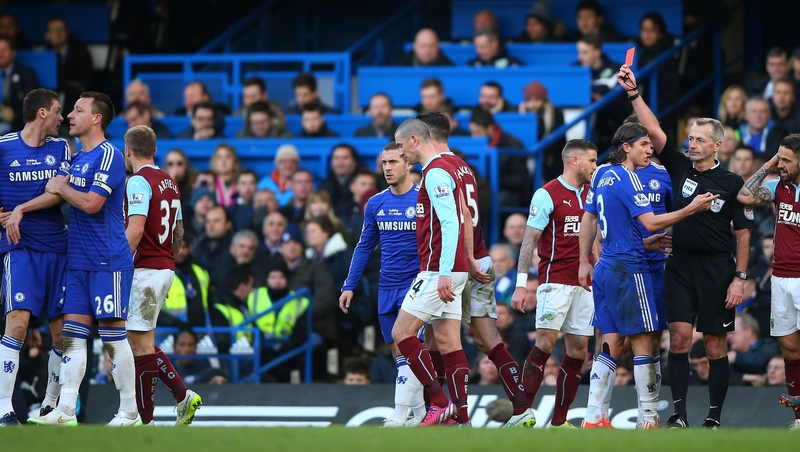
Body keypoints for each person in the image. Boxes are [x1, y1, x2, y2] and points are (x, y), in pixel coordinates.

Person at [620, 64, 755, 429]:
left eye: (698, 139)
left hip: (717, 268)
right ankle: (678, 415)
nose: (690, 144)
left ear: (717, 144)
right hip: (679, 265)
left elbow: (743, 232)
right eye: (690, 138)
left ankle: (713, 417)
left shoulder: (732, 181)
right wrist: (634, 93)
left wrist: (739, 277)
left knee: (714, 346)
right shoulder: (679, 167)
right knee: (678, 340)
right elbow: (652, 129)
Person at [578, 120, 716, 429]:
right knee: (644, 342)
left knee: (610, 342)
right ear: (627, 147)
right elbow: (653, 222)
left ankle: (592, 417)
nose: (651, 149)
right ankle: (650, 418)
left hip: (607, 267)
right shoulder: (629, 178)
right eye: (644, 144)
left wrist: (585, 261)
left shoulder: (600, 172)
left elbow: (593, 218)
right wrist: (692, 208)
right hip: (631, 267)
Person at [417, 110, 532, 427]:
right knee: (488, 339)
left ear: (425, 135)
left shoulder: (438, 170)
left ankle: (449, 414)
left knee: (439, 341)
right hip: (481, 257)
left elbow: (461, 217)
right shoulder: (464, 168)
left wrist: (464, 258)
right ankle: (522, 410)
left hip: (459, 262)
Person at [35, 92, 138, 426]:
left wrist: (63, 188)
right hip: (78, 261)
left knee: (112, 335)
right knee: (72, 335)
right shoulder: (77, 157)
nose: (69, 116)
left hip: (107, 260)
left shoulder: (108, 154)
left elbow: (92, 203)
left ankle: (129, 411)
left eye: (78, 110)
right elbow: (54, 190)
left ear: (97, 118)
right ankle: (65, 410)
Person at [509, 139, 598, 428]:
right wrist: (521, 284)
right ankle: (521, 411)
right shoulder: (547, 194)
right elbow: (529, 241)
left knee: (578, 351)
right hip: (554, 281)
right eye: (592, 161)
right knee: (545, 343)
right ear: (575, 161)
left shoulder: (593, 193)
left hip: (585, 284)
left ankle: (559, 423)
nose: (595, 167)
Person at [339, 141, 427, 427]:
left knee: (407, 347)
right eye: (384, 163)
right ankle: (421, 412)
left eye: (394, 162)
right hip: (386, 286)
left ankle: (399, 415)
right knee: (399, 353)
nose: (388, 168)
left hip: (416, 286)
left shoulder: (423, 200)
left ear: (408, 164)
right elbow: (364, 247)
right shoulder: (376, 203)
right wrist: (349, 285)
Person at [120, 124, 202, 426]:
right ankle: (181, 395)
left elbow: (136, 229)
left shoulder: (138, 181)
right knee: (138, 339)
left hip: (146, 268)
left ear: (128, 151)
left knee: (138, 345)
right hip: (165, 265)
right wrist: (169, 264)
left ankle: (146, 418)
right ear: (155, 150)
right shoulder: (169, 181)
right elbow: (178, 230)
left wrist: (117, 263)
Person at [391, 118, 470, 426]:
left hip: (440, 269)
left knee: (401, 333)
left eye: (400, 145)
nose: (400, 152)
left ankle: (438, 403)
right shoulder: (447, 169)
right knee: (450, 343)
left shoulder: (436, 172)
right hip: (453, 267)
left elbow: (451, 223)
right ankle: (460, 417)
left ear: (414, 139)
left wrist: (445, 271)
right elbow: (464, 215)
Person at [0, 89, 69, 426]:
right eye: (58, 111)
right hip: (20, 248)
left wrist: (19, 210)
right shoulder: (3, 146)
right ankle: (4, 409)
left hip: (57, 248)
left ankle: (49, 406)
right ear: (42, 113)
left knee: (61, 335)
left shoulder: (61, 148)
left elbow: (57, 194)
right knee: (18, 324)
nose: (63, 117)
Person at [737, 134, 800, 429]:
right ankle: (799, 419)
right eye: (780, 159)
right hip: (780, 278)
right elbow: (745, 195)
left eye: (787, 160)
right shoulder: (778, 186)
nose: (781, 165)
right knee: (789, 349)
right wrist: (770, 164)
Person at [43, 17, 95, 117]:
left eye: (61, 29)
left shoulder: (81, 54)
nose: (58, 33)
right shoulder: (43, 56)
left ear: (67, 32)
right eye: (54, 30)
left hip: (74, 102)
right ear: (47, 35)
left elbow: (85, 85)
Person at [518, 81, 566, 183]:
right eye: (528, 100)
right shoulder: (521, 114)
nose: (532, 104)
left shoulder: (555, 114)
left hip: (551, 160)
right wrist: (524, 118)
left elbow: (557, 141)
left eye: (537, 99)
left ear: (544, 100)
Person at [0, 36, 39, 132]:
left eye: (4, 49)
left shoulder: (26, 73)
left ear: (13, 53)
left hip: (17, 127)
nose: (1, 53)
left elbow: (33, 105)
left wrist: (14, 115)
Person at [319, 144, 362, 209]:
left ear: (354, 162)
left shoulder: (363, 183)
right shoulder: (324, 185)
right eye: (336, 158)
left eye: (345, 158)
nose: (340, 162)